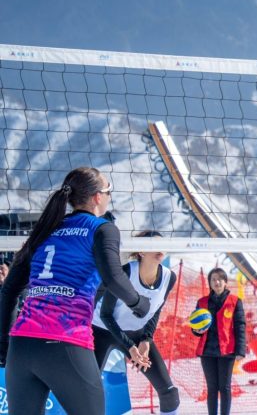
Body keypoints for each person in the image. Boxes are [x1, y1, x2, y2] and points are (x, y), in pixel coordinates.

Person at [0, 167, 150, 415]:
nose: (110, 196)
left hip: (22, 345)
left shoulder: (45, 229)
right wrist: (138, 303)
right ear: (97, 197)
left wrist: (4, 346)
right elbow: (113, 277)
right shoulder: (102, 229)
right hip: (64, 340)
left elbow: (9, 292)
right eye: (109, 191)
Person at [92, 230, 181, 414]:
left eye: (162, 245)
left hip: (136, 332)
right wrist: (130, 346)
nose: (160, 249)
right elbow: (106, 315)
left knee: (170, 394)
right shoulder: (125, 273)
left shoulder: (168, 277)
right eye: (154, 245)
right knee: (87, 392)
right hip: (101, 330)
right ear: (141, 251)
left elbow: (155, 312)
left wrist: (146, 340)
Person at [193, 267, 247, 415]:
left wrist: (240, 350)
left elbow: (240, 326)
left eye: (219, 279)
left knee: (224, 387)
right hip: (207, 351)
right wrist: (196, 331)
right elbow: (195, 325)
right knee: (211, 388)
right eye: (213, 279)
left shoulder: (235, 301)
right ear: (209, 283)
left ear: (225, 282)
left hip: (227, 351)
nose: (216, 282)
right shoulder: (202, 302)